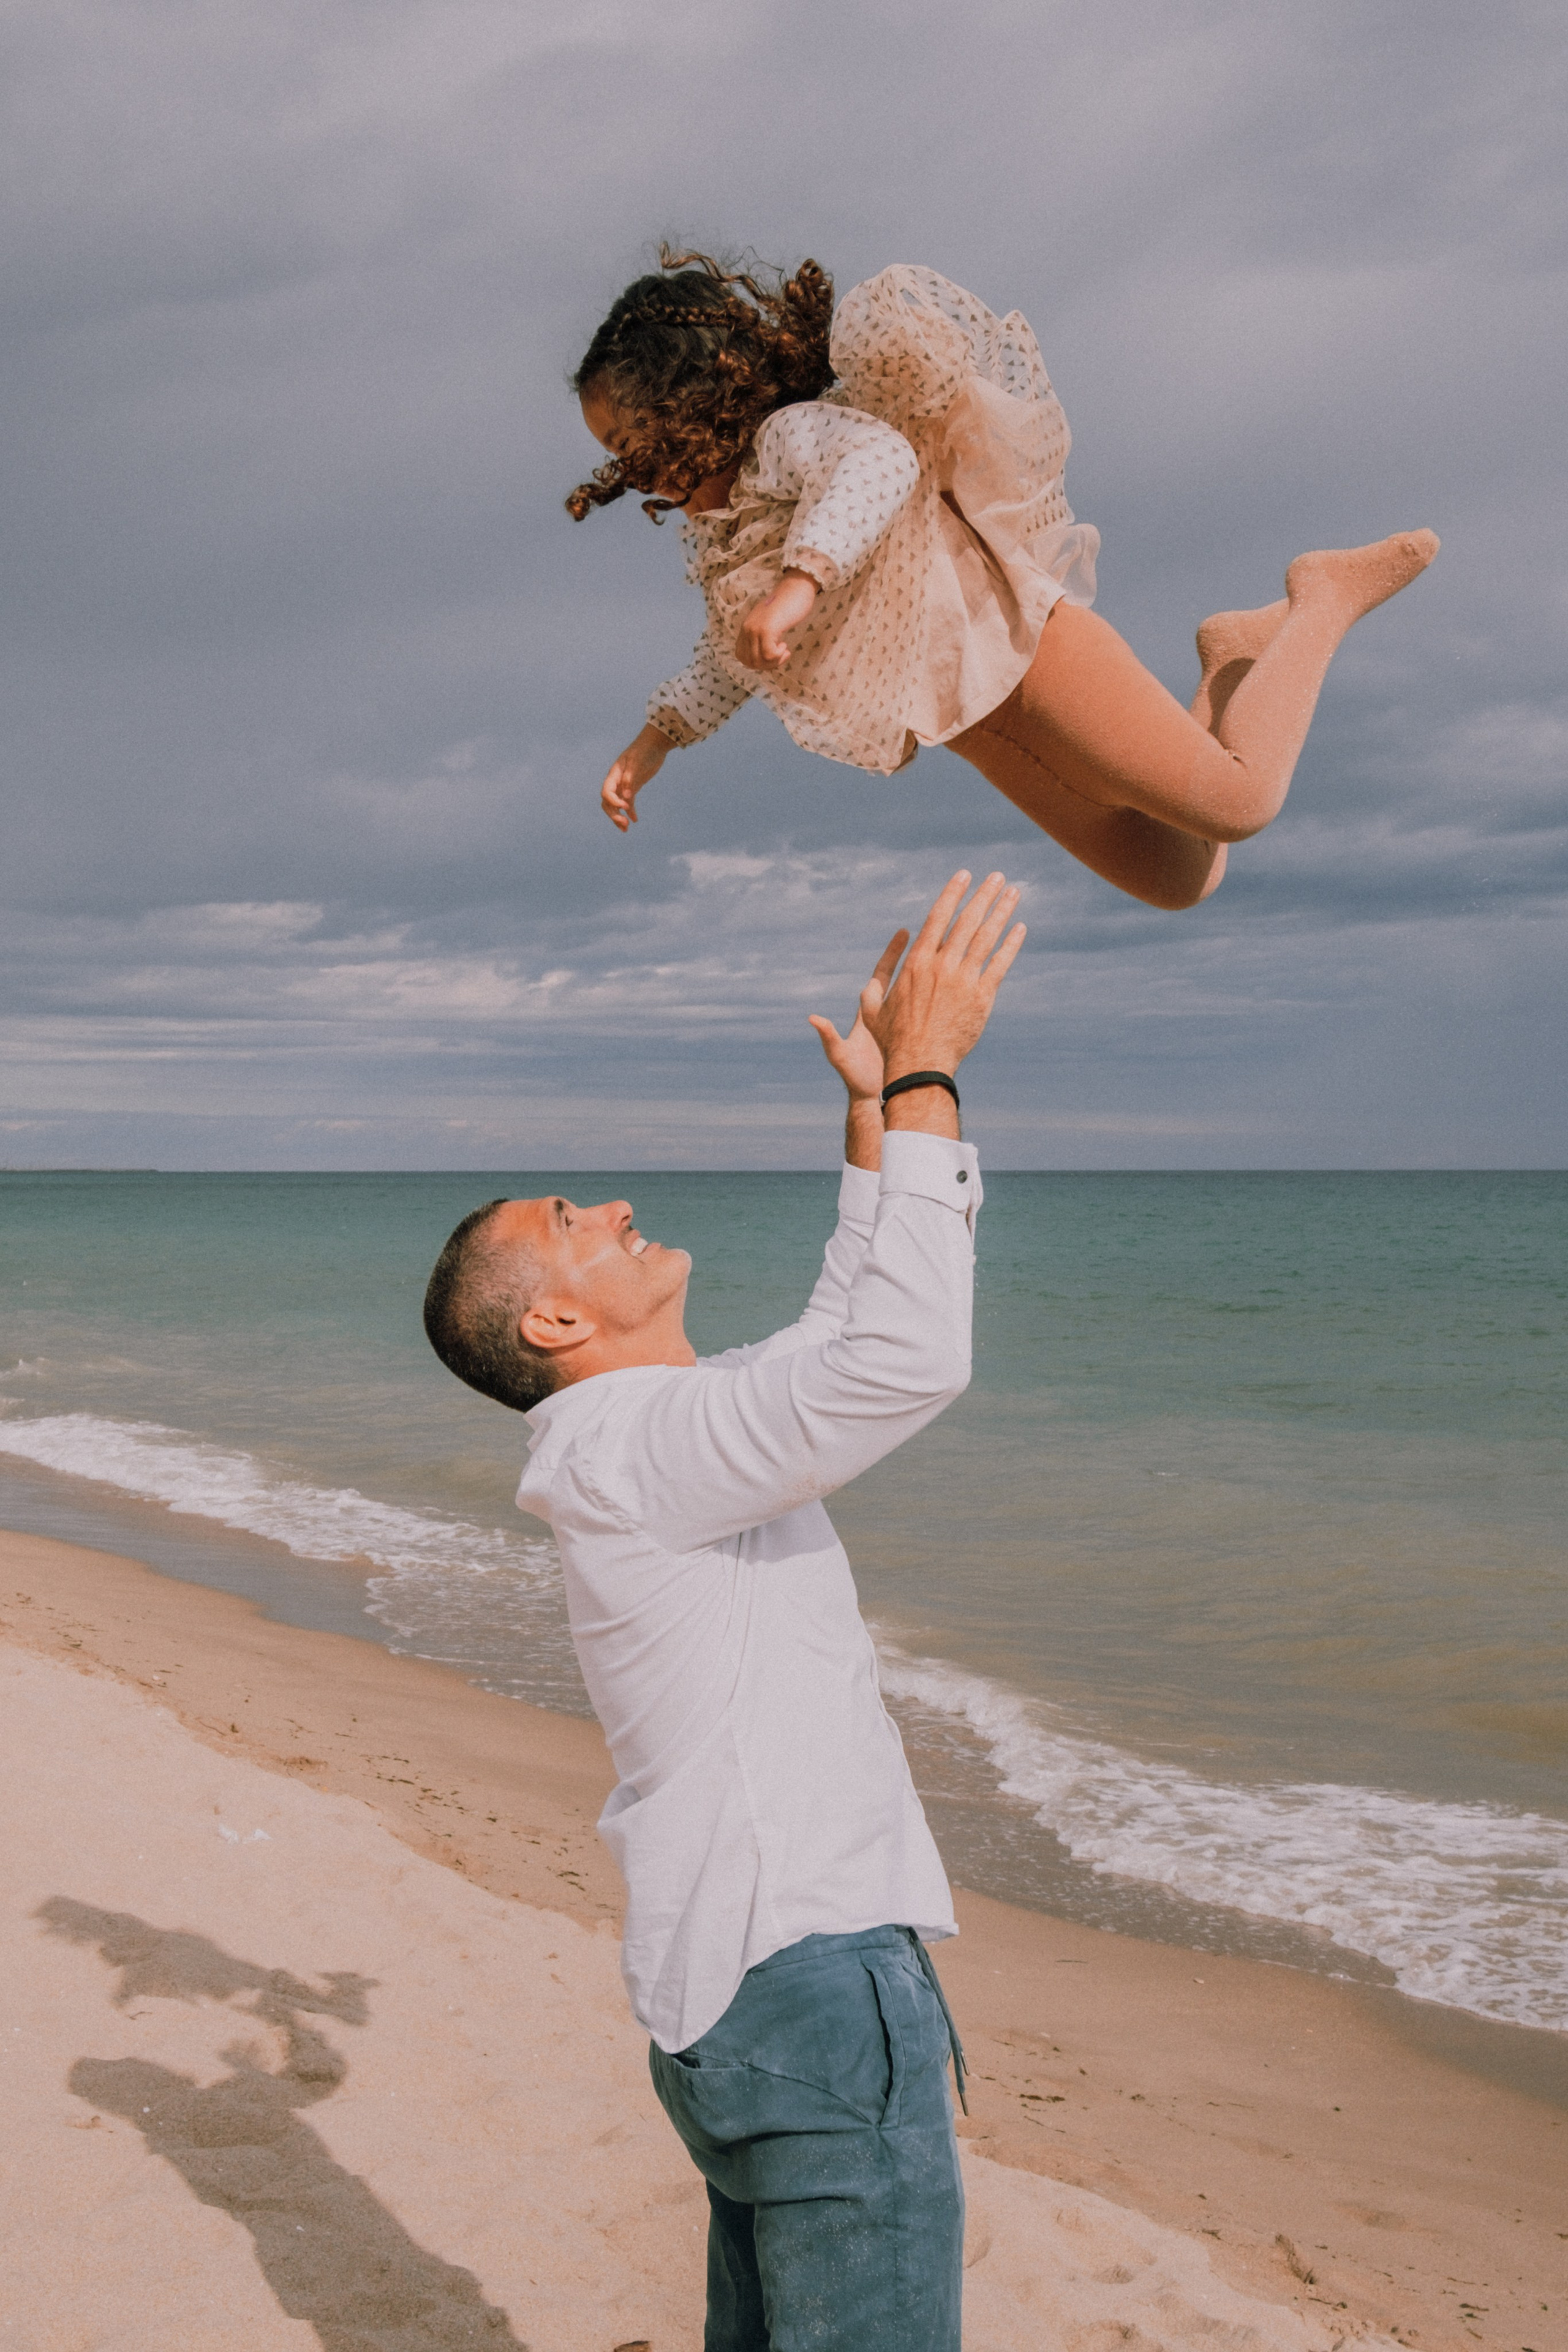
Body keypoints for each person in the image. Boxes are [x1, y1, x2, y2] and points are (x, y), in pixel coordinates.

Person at [422, 870, 1025, 2352]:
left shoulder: (640, 1446)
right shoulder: (641, 1452)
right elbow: (898, 1362)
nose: (615, 1203)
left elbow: (834, 1333)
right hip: (811, 1983)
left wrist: (878, 1114)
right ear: (555, 1324)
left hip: (742, 2001)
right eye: (572, 1219)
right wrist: (936, 1071)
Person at [567, 249, 1438, 911]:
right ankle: (1229, 658)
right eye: (614, 455)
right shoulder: (721, 538)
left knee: (1239, 800)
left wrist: (801, 582)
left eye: (630, 441)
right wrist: (653, 745)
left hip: (1027, 653)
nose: (630, 471)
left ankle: (1320, 595)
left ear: (695, 400)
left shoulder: (792, 438)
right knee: (1178, 878)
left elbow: (880, 462)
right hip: (977, 727)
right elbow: (731, 653)